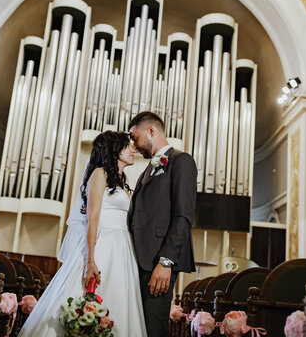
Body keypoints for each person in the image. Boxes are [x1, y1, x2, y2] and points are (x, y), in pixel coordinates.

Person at [19, 131, 147, 336]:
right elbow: (92, 218)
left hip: (122, 247)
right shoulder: (100, 173)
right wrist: (90, 260)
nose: (133, 149)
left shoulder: (122, 179)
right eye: (127, 145)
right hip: (103, 243)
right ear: (114, 150)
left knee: (121, 301)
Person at [128, 111, 197, 337]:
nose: (134, 145)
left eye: (135, 138)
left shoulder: (181, 161)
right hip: (139, 262)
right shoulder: (146, 171)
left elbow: (183, 216)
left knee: (154, 329)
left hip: (159, 263)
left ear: (150, 131)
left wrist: (166, 262)